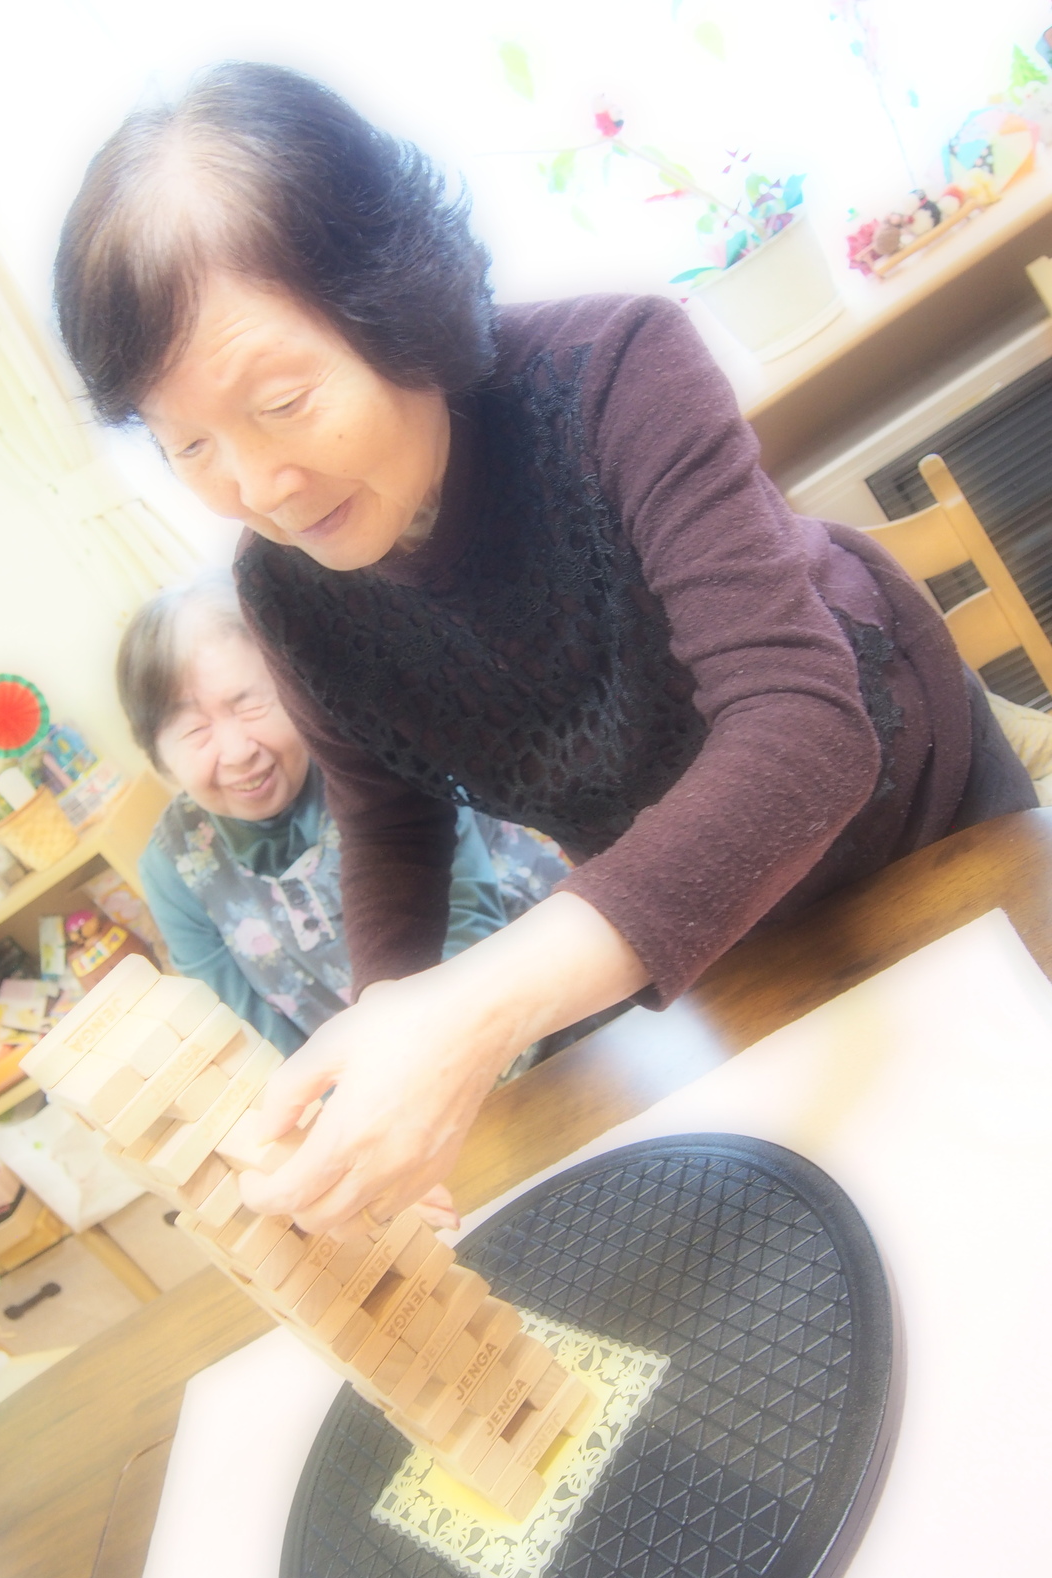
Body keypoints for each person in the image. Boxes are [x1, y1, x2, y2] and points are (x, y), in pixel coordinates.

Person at [55, 63, 1036, 1239]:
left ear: (390, 300)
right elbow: (389, 824)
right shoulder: (281, 589)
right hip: (710, 908)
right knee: (888, 1199)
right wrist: (383, 1039)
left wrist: (475, 1013)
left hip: (919, 811)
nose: (259, 487)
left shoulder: (613, 369)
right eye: (190, 445)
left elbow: (803, 731)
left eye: (282, 402)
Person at [117, 569, 570, 1063]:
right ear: (158, 760)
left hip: (541, 988)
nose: (238, 751)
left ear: (293, 687)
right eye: (194, 731)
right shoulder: (172, 871)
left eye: (250, 705)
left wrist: (441, 1060)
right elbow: (251, 1034)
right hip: (387, 1077)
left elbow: (470, 911)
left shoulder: (360, 738)